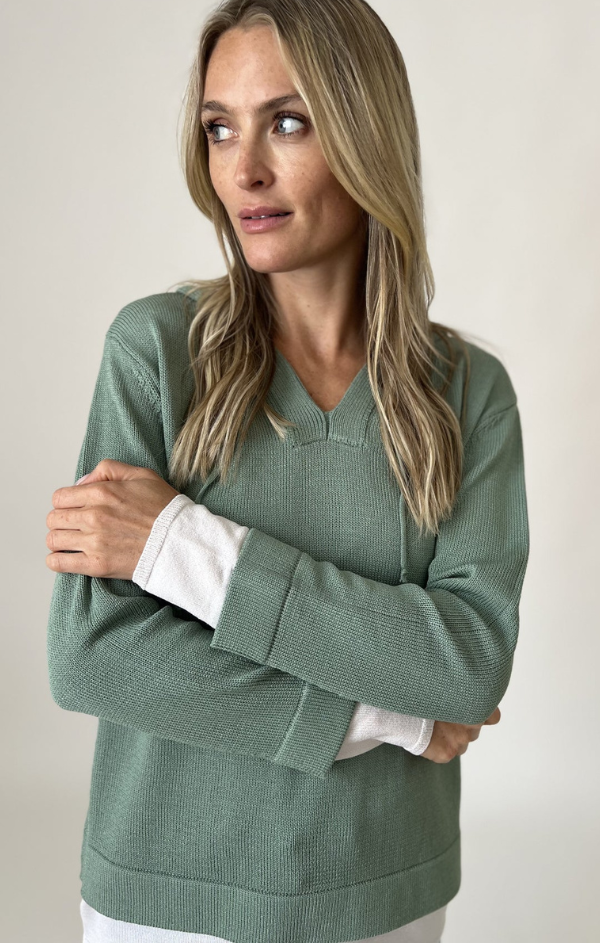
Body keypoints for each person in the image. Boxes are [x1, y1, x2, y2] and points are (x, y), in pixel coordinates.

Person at [45, 1, 530, 941]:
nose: (244, 170)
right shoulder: (156, 352)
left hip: (385, 892)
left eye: (289, 122)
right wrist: (390, 713)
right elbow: (92, 656)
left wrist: (181, 546)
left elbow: (468, 663)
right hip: (165, 901)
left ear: (365, 133)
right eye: (220, 128)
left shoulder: (470, 393)